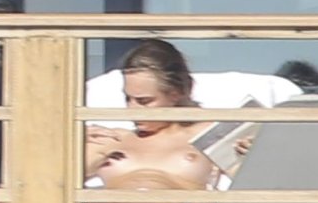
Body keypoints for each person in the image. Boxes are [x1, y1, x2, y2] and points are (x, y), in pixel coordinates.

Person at [85, 39, 220, 192]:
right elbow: (63, 182)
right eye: (128, 99)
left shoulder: (209, 135)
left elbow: (243, 182)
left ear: (175, 94)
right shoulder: (112, 138)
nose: (131, 109)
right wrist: (71, 144)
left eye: (144, 101)